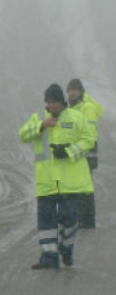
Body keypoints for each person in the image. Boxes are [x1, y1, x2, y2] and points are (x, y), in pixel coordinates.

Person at [19, 84, 95, 270]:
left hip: (71, 182)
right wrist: (41, 126)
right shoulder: (39, 117)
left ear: (62, 102)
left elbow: (88, 141)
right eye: (49, 102)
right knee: (46, 221)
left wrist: (68, 152)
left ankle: (66, 247)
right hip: (47, 182)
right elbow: (23, 135)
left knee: (69, 218)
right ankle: (49, 256)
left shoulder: (77, 118)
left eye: (55, 102)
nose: (52, 106)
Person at [67, 79, 103, 228]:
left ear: (81, 91)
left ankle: (87, 220)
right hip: (77, 151)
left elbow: (88, 132)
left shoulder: (86, 107)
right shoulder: (74, 107)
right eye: (70, 90)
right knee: (78, 187)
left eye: (75, 90)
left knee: (85, 188)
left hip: (86, 152)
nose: (72, 92)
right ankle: (82, 218)